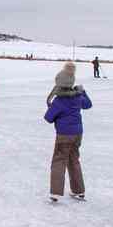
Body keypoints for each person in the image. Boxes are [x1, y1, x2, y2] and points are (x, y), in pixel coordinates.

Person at [44, 63, 92, 202]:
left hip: (64, 135)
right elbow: (88, 105)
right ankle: (78, 191)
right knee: (74, 160)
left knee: (59, 161)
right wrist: (83, 92)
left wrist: (51, 106)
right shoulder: (77, 97)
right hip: (77, 134)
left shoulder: (59, 101)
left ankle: (56, 192)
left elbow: (48, 118)